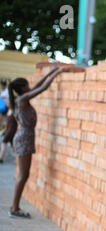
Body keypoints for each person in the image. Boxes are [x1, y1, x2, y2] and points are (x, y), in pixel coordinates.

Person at [8, 65, 68, 218]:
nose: (29, 86)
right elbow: (42, 89)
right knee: (23, 174)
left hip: (25, 137)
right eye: (27, 85)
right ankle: (15, 208)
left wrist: (53, 71)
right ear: (22, 88)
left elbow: (38, 85)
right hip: (24, 138)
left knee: (24, 174)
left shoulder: (21, 97)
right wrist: (57, 73)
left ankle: (14, 206)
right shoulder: (22, 99)